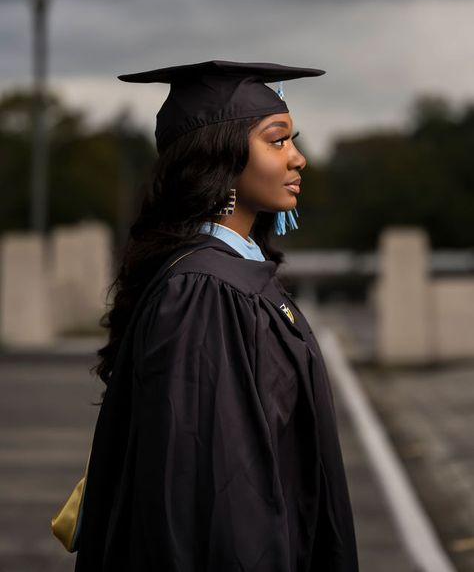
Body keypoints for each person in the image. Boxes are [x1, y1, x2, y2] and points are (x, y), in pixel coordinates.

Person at [74, 61, 359, 571]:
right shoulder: (204, 292)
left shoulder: (234, 277)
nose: (299, 159)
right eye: (277, 141)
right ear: (221, 158)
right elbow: (223, 494)